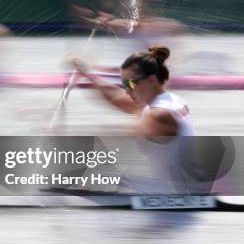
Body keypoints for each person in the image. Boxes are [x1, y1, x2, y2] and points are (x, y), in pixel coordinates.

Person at [72, 45, 208, 194]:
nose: (127, 90)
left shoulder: (160, 115)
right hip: (182, 186)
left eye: (130, 84)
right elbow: (115, 98)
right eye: (124, 84)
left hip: (179, 193)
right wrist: (87, 74)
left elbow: (121, 139)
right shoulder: (167, 100)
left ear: (150, 80)